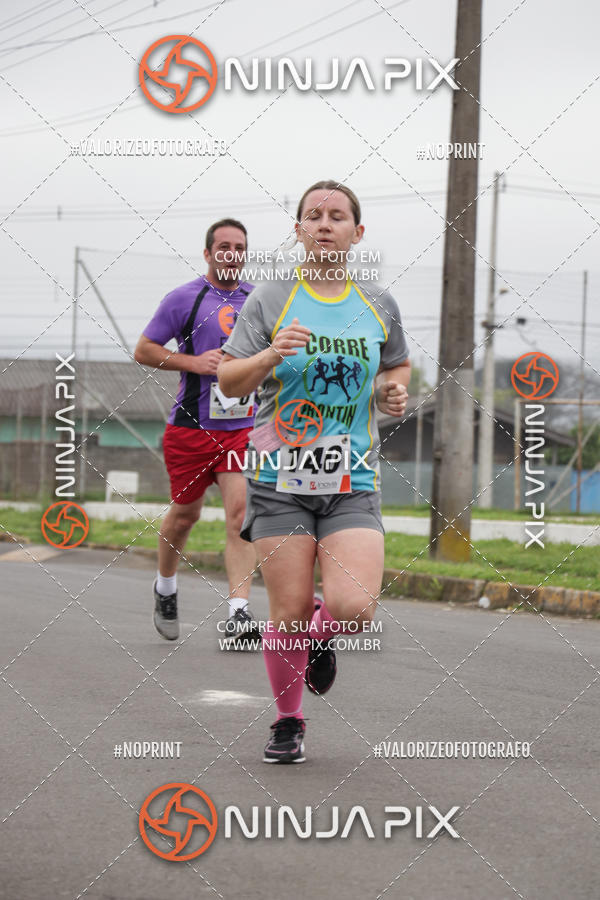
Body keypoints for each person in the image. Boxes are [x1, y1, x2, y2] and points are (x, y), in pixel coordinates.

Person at [218, 182, 410, 763]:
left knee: (352, 608)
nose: (324, 224)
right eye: (312, 216)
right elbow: (229, 381)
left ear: (357, 232)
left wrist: (392, 393)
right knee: (289, 610)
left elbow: (395, 365)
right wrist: (271, 355)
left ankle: (320, 641)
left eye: (337, 216)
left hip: (352, 478)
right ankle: (287, 721)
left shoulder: (379, 303)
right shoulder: (271, 299)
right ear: (299, 230)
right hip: (279, 479)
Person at [134, 218, 259, 647]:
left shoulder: (258, 301)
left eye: (239, 247)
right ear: (208, 253)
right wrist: (195, 363)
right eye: (223, 246)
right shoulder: (184, 299)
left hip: (241, 429)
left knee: (241, 516)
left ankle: (239, 613)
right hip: (189, 428)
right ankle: (165, 587)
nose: (231, 253)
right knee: (186, 516)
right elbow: (144, 349)